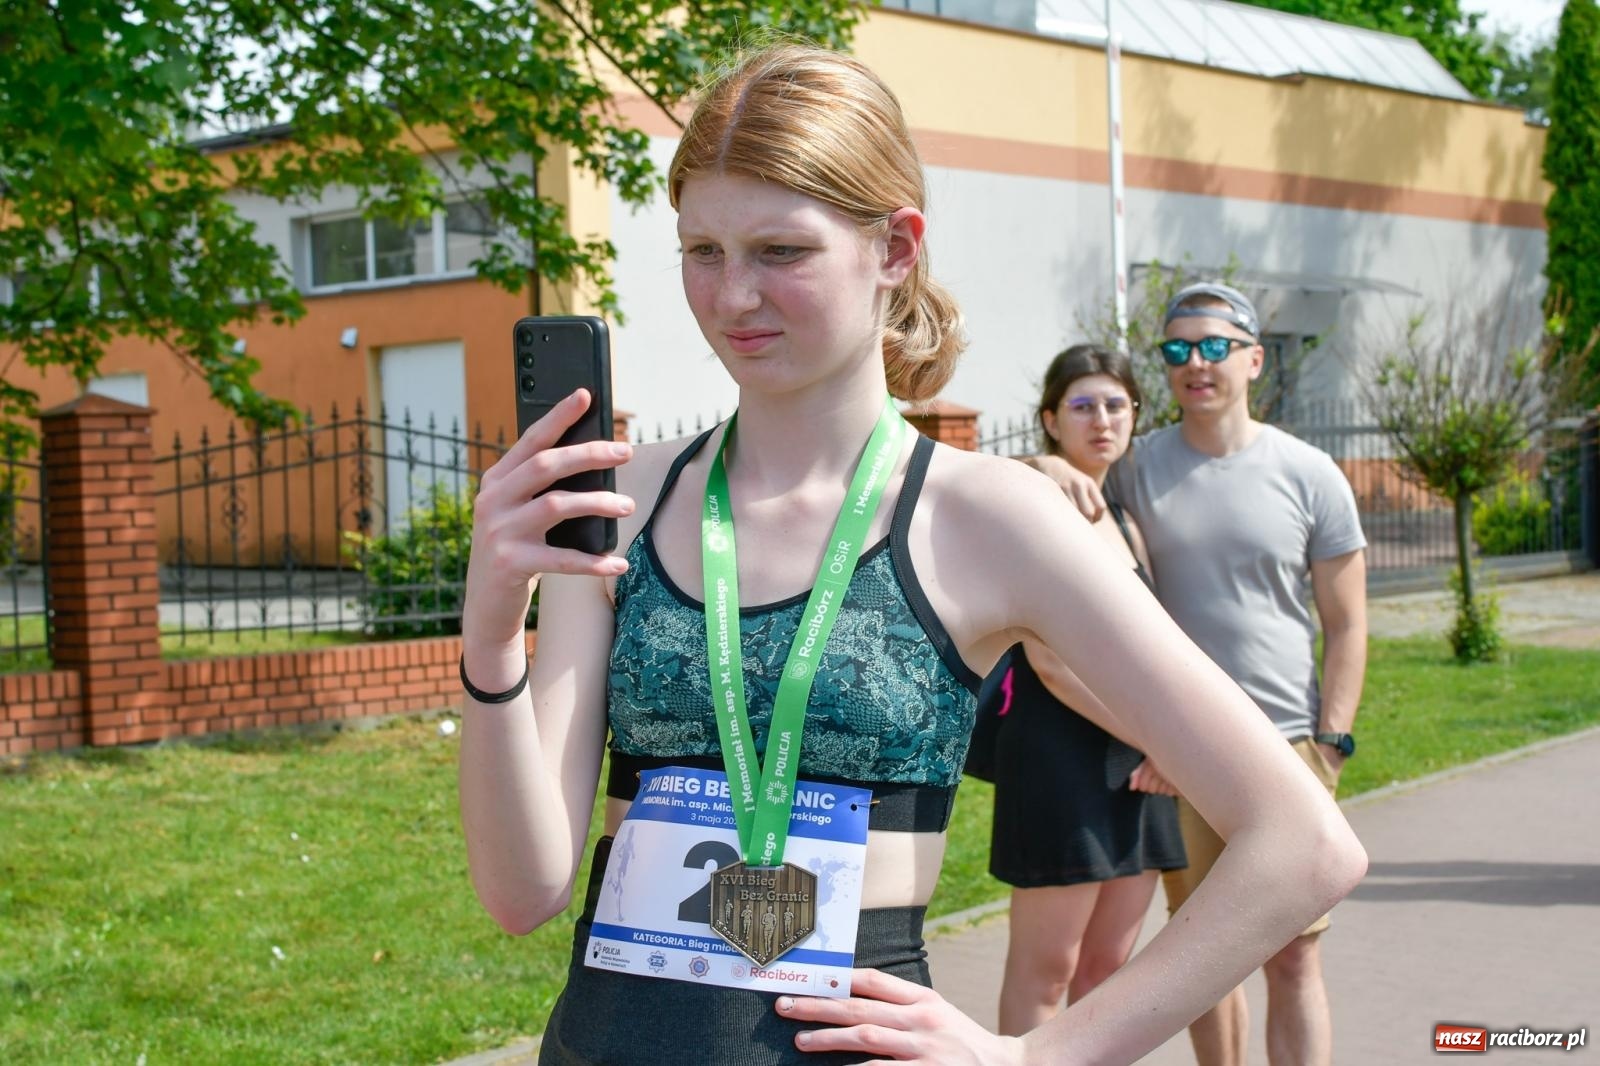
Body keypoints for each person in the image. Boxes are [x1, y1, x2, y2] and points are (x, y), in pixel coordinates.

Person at [457, 44, 1364, 1066]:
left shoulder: (990, 518)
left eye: (779, 251)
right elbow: (522, 890)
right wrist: (492, 635)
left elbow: (1302, 843)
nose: (732, 296)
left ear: (893, 248)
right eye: (701, 250)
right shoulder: (619, 502)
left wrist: (1037, 1054)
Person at [1032, 282, 1369, 1066]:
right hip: (1182, 753)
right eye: (1177, 349)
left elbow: (1348, 622)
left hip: (1286, 744)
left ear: (1254, 358)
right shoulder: (1135, 468)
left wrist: (1332, 743)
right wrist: (1044, 461)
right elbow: (1052, 487)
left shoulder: (1310, 472)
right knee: (1205, 965)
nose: (1195, 364)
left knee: (1293, 955)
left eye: (1214, 346)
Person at [980, 344, 1186, 1035]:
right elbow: (1053, 665)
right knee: (1047, 975)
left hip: (1145, 770)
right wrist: (1169, 742)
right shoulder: (1038, 505)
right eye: (1082, 405)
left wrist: (1164, 747)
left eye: (1116, 404)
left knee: (1109, 977)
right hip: (1062, 764)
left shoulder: (1124, 516)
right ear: (1049, 419)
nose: (1102, 419)